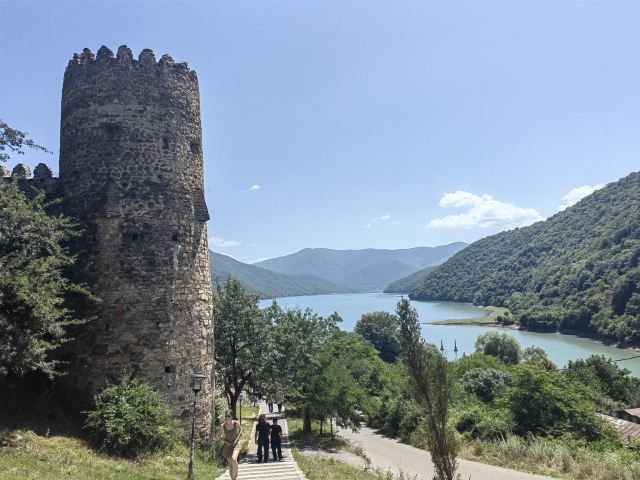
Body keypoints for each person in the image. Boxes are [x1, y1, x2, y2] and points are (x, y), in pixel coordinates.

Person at [218, 409, 242, 480]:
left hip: (235, 444)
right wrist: (225, 441)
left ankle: (236, 475)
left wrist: (237, 439)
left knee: (234, 459)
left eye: (229, 416)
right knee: (230, 465)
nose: (227, 417)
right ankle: (233, 479)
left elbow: (240, 431)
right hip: (227, 446)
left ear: (232, 416)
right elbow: (219, 435)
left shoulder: (236, 423)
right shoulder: (223, 425)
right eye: (226, 416)